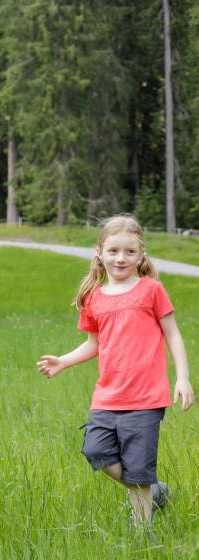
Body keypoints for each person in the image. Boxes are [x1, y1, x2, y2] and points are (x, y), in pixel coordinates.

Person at [38, 215, 193, 525]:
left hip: (146, 397)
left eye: (129, 252)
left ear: (141, 254)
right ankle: (154, 490)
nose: (121, 258)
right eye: (113, 251)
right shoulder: (93, 298)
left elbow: (173, 333)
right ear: (99, 252)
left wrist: (183, 377)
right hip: (107, 397)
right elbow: (93, 343)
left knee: (138, 470)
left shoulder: (151, 290)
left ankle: (142, 537)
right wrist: (64, 361)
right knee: (95, 450)